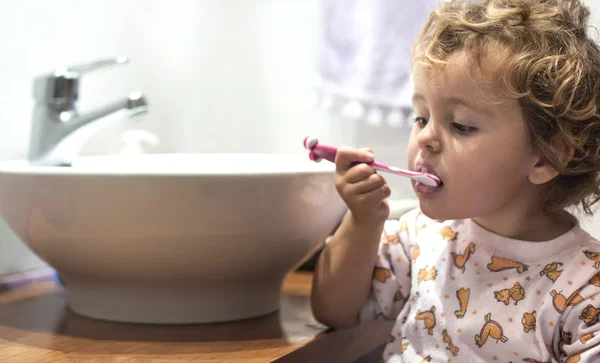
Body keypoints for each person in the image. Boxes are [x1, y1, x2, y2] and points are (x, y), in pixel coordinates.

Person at [310, 0, 600, 361]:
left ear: (548, 156)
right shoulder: (419, 238)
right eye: (420, 117)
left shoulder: (585, 288)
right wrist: (362, 221)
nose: (426, 138)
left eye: (461, 125)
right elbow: (334, 311)